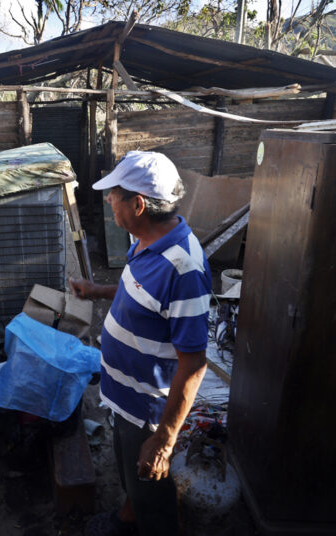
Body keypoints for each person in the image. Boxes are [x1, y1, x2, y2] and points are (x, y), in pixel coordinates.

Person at [74, 151, 211, 536]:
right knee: (130, 472)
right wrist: (98, 290)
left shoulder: (184, 270)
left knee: (153, 488)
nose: (107, 201)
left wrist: (164, 439)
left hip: (149, 407)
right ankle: (129, 516)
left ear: (137, 204)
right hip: (124, 395)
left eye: (113, 195)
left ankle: (149, 522)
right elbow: (139, 291)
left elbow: (194, 363)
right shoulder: (144, 242)